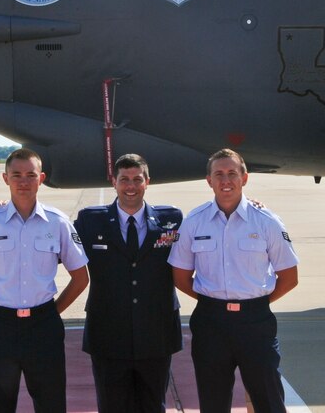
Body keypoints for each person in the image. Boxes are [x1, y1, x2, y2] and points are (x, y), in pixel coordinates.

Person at [0, 148, 89, 413]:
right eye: (16, 175)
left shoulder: (58, 222)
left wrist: (51, 312)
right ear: (5, 178)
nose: (23, 181)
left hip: (44, 329)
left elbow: (80, 277)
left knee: (51, 404)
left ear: (41, 178)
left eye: (30, 175)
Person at [168, 149, 299, 413]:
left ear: (244, 178)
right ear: (209, 181)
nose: (225, 180)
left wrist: (255, 302)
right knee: (213, 402)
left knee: (269, 400)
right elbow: (181, 277)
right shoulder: (194, 221)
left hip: (256, 324)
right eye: (219, 174)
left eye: (232, 173)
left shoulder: (266, 222)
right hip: (210, 324)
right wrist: (214, 299)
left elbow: (289, 276)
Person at [74, 154, 183, 413]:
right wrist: (8, 208)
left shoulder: (173, 219)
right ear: (114, 182)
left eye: (137, 179)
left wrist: (249, 205)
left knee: (153, 406)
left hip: (156, 334)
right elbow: (52, 242)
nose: (130, 186)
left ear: (148, 182)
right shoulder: (90, 221)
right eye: (124, 179)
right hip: (108, 335)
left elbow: (208, 231)